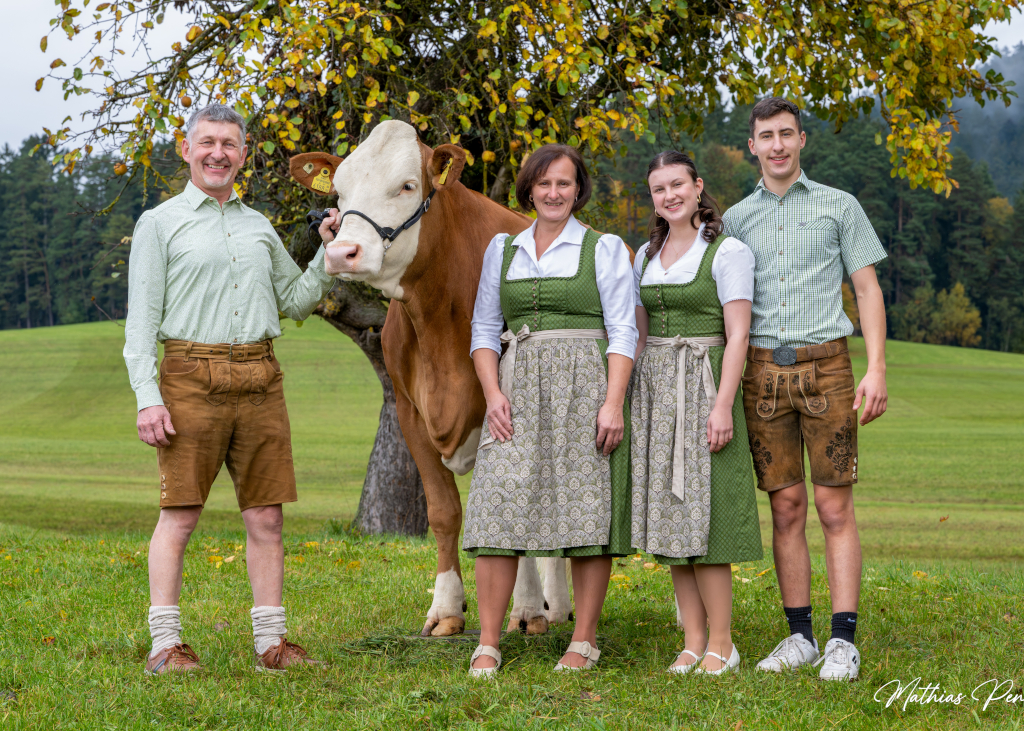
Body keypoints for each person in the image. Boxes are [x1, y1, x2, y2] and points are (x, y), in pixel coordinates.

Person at [124, 103, 340, 674]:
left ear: (244, 155)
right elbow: (140, 325)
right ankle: (165, 646)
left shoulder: (258, 225)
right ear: (187, 149)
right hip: (189, 376)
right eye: (208, 142)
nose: (218, 153)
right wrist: (148, 396)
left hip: (261, 377)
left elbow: (293, 303)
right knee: (181, 515)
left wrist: (324, 254)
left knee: (267, 518)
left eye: (230, 144)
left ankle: (272, 644)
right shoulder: (160, 223)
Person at [722, 97, 889, 681]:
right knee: (786, 507)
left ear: (801, 140)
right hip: (763, 373)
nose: (777, 145)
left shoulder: (839, 206)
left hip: (829, 368)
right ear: (752, 145)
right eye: (765, 136)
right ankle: (801, 637)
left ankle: (843, 640)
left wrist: (877, 368)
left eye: (786, 134)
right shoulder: (737, 220)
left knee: (833, 505)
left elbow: (866, 290)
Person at [462, 144, 638, 678]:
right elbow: (484, 330)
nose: (554, 193)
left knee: (585, 511)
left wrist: (612, 402)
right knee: (497, 506)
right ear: (529, 190)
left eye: (564, 183)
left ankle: (583, 640)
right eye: (544, 184)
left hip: (583, 387)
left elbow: (623, 330)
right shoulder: (503, 249)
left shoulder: (602, 248)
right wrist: (493, 394)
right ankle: (488, 642)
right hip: (515, 390)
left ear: (577, 189)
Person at [630, 151, 762, 676]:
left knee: (707, 526)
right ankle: (692, 640)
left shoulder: (727, 252)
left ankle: (724, 644)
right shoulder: (645, 253)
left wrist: (722, 404)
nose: (670, 196)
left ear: (698, 186)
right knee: (672, 522)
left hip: (704, 382)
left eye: (678, 185)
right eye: (659, 189)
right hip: (657, 391)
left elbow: (738, 336)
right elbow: (639, 335)